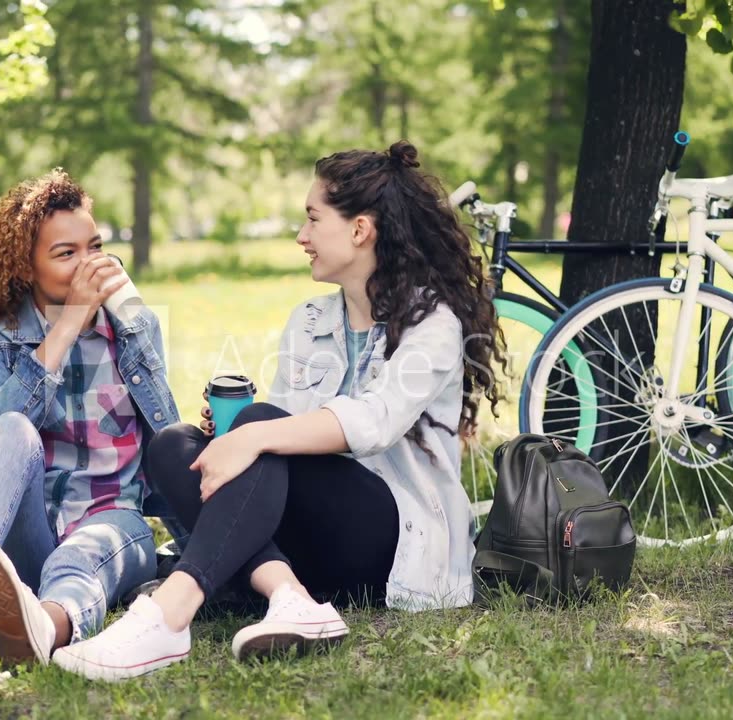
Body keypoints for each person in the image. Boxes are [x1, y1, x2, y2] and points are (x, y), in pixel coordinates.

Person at [52, 141, 505, 681]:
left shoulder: (433, 324)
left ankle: (170, 613)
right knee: (175, 446)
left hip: (394, 543)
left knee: (257, 429)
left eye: (314, 219)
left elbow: (375, 422)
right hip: (313, 541)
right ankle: (291, 598)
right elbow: (277, 438)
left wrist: (251, 436)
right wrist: (232, 435)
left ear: (360, 230)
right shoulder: (310, 319)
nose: (302, 236)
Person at [0, 170, 185, 668]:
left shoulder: (135, 324)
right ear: (27, 267)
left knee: (81, 556)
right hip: (32, 530)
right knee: (12, 426)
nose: (88, 264)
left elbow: (163, 430)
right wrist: (65, 328)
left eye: (95, 246)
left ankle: (41, 627)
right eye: (66, 254)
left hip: (114, 522)